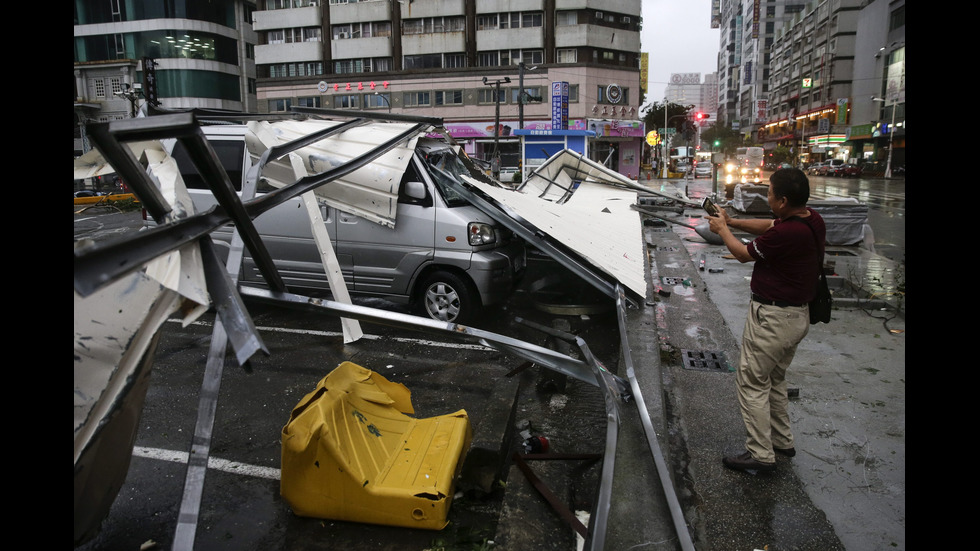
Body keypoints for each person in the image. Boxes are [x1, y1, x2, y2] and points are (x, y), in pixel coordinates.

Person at [707, 168, 826, 474]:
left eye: (771, 192)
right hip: (795, 317)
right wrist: (732, 221)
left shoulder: (787, 234)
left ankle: (760, 455)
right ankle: (781, 441)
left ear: (783, 200)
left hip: (773, 318)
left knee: (751, 381)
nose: (767, 195)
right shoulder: (809, 219)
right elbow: (768, 225)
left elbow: (744, 253)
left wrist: (722, 230)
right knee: (774, 379)